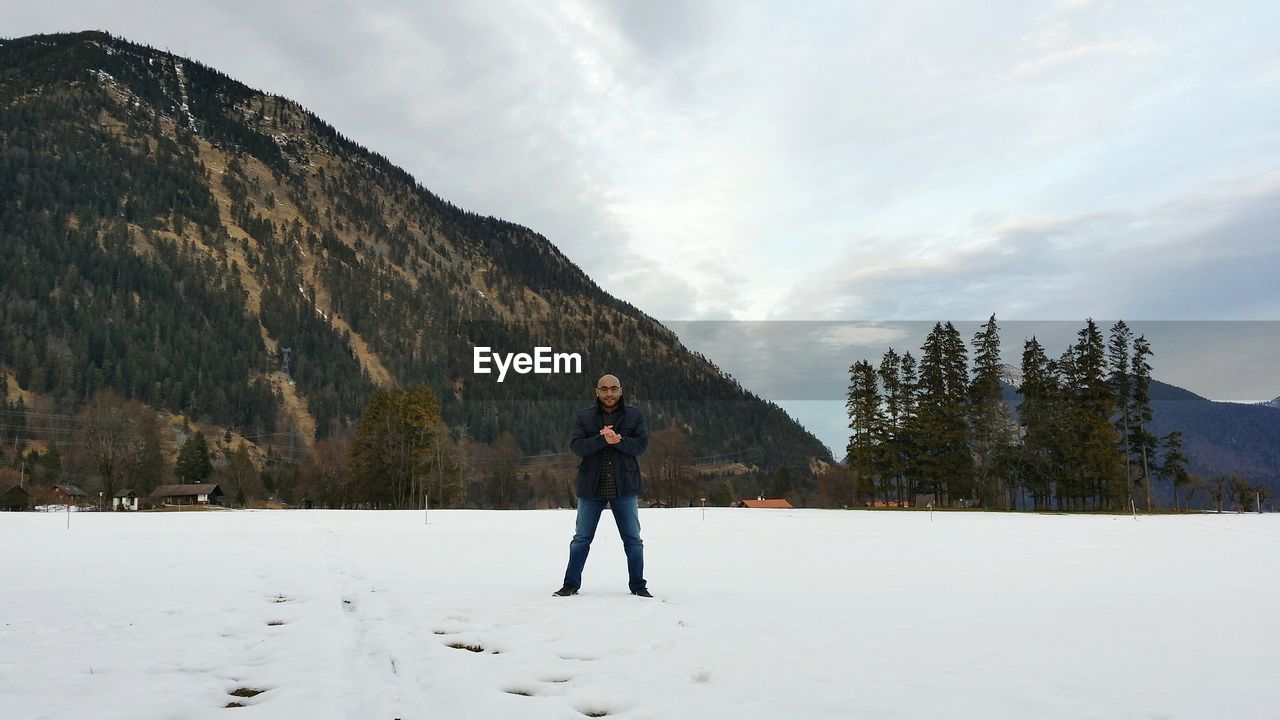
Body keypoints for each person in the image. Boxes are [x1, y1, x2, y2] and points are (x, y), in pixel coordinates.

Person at [554, 374, 652, 598]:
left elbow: (641, 445)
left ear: (621, 390)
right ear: (596, 391)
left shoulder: (635, 415)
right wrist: (601, 440)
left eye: (613, 389)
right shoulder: (585, 416)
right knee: (581, 539)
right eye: (604, 389)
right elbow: (577, 446)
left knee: (633, 540)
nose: (609, 393)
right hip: (591, 487)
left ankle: (638, 586)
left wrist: (619, 441)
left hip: (624, 486)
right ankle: (570, 585)